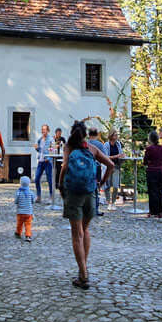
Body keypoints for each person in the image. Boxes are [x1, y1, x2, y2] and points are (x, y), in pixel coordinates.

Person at [58, 121, 114, 290]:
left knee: (77, 234)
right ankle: (83, 267)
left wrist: (60, 185)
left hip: (74, 194)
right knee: (85, 230)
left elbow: (64, 167)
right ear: (85, 135)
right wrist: (101, 183)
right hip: (90, 193)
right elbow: (110, 165)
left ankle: (83, 275)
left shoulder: (69, 148)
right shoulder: (92, 148)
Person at [143, 131, 162, 217]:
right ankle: (160, 211)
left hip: (151, 171)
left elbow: (145, 161)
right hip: (160, 171)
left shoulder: (149, 149)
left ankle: (153, 211)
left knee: (152, 191)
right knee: (160, 191)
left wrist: (148, 162)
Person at [86, 127, 108, 216]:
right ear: (97, 134)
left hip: (86, 168)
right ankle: (95, 209)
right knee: (96, 188)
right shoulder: (99, 144)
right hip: (96, 167)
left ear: (89, 134)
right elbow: (104, 157)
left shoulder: (85, 143)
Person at [103, 129, 125, 210]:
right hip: (108, 167)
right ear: (111, 136)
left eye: (117, 135)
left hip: (116, 166)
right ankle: (109, 202)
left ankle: (113, 202)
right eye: (115, 135)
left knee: (115, 185)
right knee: (107, 185)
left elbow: (120, 153)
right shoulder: (106, 145)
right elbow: (105, 157)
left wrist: (122, 156)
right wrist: (117, 156)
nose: (117, 136)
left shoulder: (118, 144)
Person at [33, 124, 54, 203]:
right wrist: (36, 148)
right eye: (42, 129)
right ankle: (39, 197)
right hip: (40, 161)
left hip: (47, 162)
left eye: (44, 129)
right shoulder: (40, 139)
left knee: (49, 180)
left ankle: (51, 197)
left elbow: (53, 150)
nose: (43, 131)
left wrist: (48, 158)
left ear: (48, 130)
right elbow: (40, 150)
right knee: (36, 179)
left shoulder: (51, 139)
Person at [14, 176, 36, 242]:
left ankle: (18, 233)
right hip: (28, 213)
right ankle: (28, 236)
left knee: (19, 224)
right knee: (28, 224)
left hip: (20, 212)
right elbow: (33, 201)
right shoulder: (31, 193)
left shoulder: (18, 192)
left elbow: (16, 201)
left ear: (20, 183)